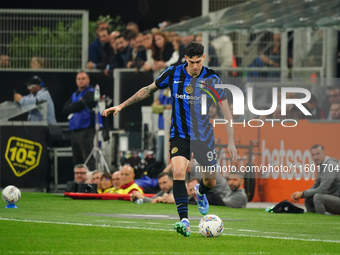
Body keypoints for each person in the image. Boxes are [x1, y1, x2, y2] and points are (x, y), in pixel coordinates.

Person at [102, 41, 237, 237]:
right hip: (179, 134)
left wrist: (231, 140)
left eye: (198, 61)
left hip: (203, 136)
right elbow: (148, 90)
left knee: (210, 182)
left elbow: (226, 111)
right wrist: (121, 106)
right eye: (192, 62)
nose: (195, 66)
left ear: (204, 58)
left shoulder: (212, 78)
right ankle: (184, 221)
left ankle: (199, 193)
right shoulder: (172, 73)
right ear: (186, 59)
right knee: (179, 170)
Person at [63, 71, 99, 171]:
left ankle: (91, 182)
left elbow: (83, 104)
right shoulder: (75, 94)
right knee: (76, 159)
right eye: (78, 79)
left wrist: (76, 105)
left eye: (83, 79)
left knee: (87, 158)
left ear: (88, 80)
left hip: (86, 130)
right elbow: (66, 109)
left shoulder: (91, 92)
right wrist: (78, 104)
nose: (81, 81)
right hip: (74, 130)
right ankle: (79, 183)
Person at [291, 144, 340, 213]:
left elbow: (322, 189)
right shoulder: (321, 166)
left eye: (318, 154)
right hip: (335, 199)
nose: (315, 157)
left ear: (324, 154)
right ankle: (312, 220)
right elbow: (315, 186)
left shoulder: (330, 166)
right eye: (313, 155)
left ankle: (321, 221)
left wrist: (303, 193)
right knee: (308, 198)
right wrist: (301, 194)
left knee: (318, 197)